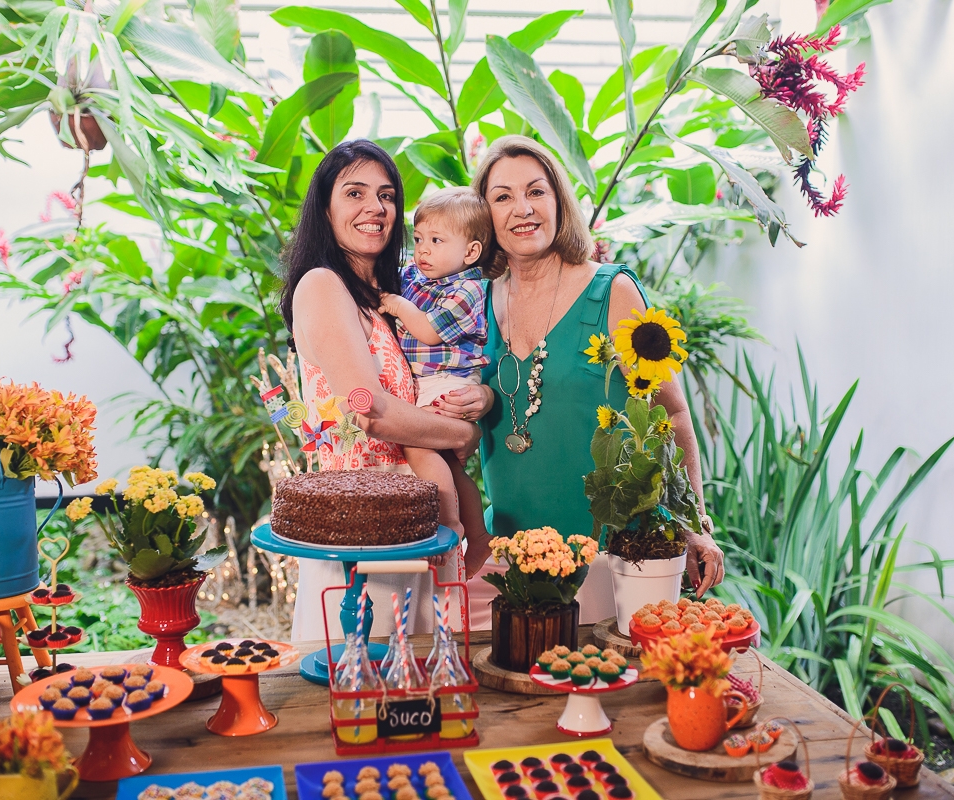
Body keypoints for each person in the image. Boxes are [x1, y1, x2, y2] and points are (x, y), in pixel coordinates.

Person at [428, 136, 726, 629]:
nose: (521, 209)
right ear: (485, 217)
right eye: (502, 197)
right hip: (515, 564)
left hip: (618, 564)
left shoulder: (613, 292)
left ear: (558, 201)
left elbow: (672, 413)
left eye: (536, 191)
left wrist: (694, 525)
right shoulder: (473, 303)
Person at [279, 140, 481, 640]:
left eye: (387, 195)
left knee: (422, 698)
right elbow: (370, 411)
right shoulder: (324, 285)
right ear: (325, 210)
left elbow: (451, 366)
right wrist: (459, 433)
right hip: (359, 533)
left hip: (417, 524)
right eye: (355, 193)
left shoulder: (395, 297)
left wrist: (483, 401)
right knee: (362, 695)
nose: (375, 208)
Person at [377, 187, 493, 579]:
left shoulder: (468, 290)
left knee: (417, 445)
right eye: (420, 239)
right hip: (427, 382)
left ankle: (449, 530)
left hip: (447, 381)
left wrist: (397, 305)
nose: (423, 250)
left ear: (471, 252)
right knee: (450, 469)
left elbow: (427, 332)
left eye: (437, 241)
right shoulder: (418, 276)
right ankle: (478, 535)